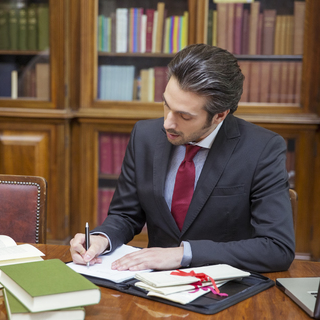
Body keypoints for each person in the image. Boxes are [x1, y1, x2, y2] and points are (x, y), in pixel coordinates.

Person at [70, 44, 295, 273]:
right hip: (153, 286)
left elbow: (277, 248)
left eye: (184, 116)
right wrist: (100, 239)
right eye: (167, 104)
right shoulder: (145, 136)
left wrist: (184, 254)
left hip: (221, 287)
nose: (167, 122)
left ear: (220, 115)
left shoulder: (262, 149)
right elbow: (125, 214)